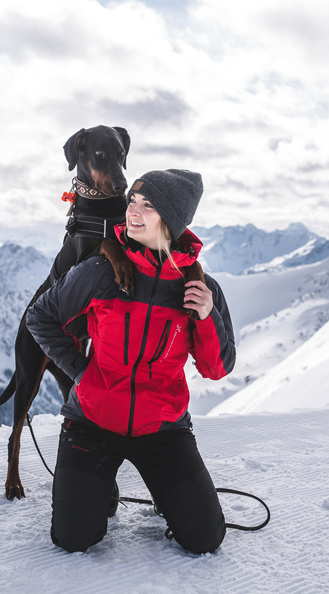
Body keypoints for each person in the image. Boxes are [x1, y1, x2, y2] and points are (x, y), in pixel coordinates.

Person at [26, 169, 236, 554]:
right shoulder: (101, 272)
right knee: (74, 539)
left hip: (163, 427)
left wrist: (207, 317)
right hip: (92, 422)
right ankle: (99, 491)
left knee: (205, 539)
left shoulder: (200, 289)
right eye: (132, 202)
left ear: (172, 219)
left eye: (148, 204)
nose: (133, 211)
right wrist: (82, 373)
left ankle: (165, 494)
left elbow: (217, 368)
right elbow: (40, 317)